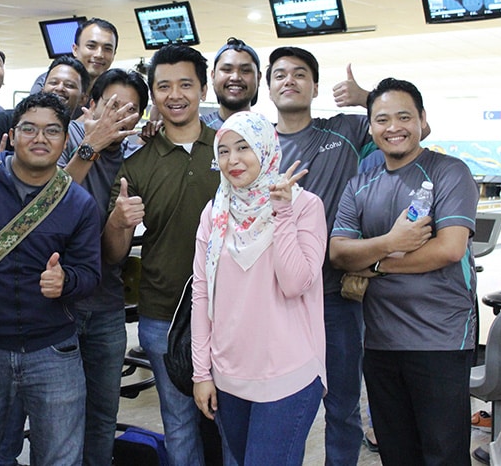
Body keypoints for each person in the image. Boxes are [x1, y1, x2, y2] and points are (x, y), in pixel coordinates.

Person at [330, 77, 478, 465]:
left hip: (441, 340)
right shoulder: (360, 184)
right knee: (396, 455)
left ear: (421, 120)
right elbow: (340, 254)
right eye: (381, 119)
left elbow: (448, 249)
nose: (393, 127)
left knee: (443, 455)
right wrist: (391, 241)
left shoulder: (449, 172)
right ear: (371, 126)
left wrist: (375, 263)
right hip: (380, 341)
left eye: (403, 117)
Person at [0, 92, 102, 465]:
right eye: (29, 129)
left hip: (54, 350)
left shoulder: (79, 203)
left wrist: (65, 281)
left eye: (52, 131)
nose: (40, 138)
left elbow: (90, 274)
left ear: (66, 140)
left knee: (60, 458)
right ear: (13, 134)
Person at [103, 44, 220, 466]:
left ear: (203, 89)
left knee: (235, 420)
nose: (175, 95)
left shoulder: (231, 149)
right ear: (153, 94)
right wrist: (118, 222)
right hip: (163, 317)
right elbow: (113, 255)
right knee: (180, 421)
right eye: (164, 86)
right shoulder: (136, 164)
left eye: (185, 84)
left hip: (234, 314)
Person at [192, 111, 327, 465]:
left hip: (289, 374)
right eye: (223, 150)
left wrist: (281, 213)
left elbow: (295, 283)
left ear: (266, 149)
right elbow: (202, 294)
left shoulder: (305, 206)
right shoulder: (215, 213)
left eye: (244, 147)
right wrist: (202, 373)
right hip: (229, 375)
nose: (232, 160)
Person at [267, 46, 374, 465]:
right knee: (275, 399)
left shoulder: (346, 129)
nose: (289, 80)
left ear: (314, 86)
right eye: (279, 74)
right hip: (275, 297)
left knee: (343, 407)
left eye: (299, 74)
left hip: (334, 297)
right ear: (269, 87)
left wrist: (366, 96)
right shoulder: (253, 143)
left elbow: (417, 124)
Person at [58, 68, 146, 465]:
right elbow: (45, 209)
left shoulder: (134, 161)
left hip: (107, 308)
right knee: (57, 416)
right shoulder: (63, 140)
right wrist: (90, 147)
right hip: (57, 306)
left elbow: (113, 255)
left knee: (101, 417)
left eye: (130, 113)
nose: (119, 118)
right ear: (91, 105)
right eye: (111, 106)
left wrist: (118, 223)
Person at [0, 55, 92, 158]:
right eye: (53, 82)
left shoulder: (81, 136)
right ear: (42, 90)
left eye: (69, 85)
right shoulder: (9, 120)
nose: (60, 88)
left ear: (83, 99)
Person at [30, 18, 119, 114]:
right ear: (75, 49)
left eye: (107, 49)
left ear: (114, 55)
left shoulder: (109, 91)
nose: (99, 54)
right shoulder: (50, 82)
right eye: (91, 46)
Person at [202, 37, 261, 130]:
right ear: (213, 76)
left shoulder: (268, 131)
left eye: (245, 70)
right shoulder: (197, 129)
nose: (236, 77)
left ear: (258, 78)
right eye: (227, 70)